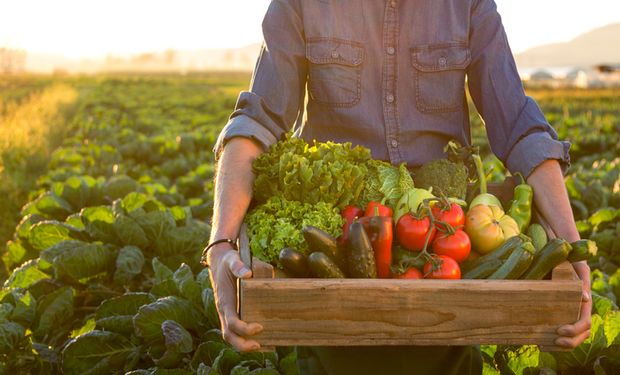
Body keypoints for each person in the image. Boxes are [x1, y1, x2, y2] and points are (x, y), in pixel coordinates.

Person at [205, 0, 592, 373]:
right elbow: (256, 123)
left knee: (446, 358)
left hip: (443, 243)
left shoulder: (468, 5)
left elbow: (520, 127)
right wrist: (221, 244)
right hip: (336, 246)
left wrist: (572, 252)